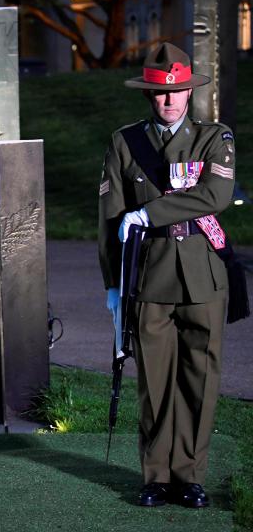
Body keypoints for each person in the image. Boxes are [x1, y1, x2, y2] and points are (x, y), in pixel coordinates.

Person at [98, 42, 237, 509]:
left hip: (202, 276)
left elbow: (214, 195)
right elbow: (109, 218)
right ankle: (155, 476)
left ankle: (190, 476)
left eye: (177, 91)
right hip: (149, 278)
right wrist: (113, 285)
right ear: (148, 96)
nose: (170, 101)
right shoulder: (124, 141)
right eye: (161, 94)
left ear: (189, 91)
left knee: (200, 379)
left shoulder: (214, 138)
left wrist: (149, 213)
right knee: (155, 383)